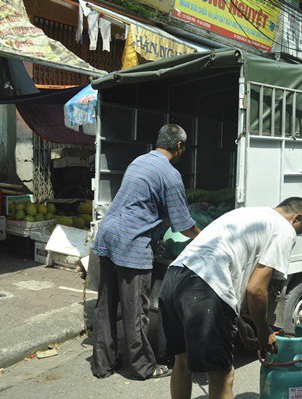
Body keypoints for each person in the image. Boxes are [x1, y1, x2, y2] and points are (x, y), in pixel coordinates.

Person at [158, 197, 302, 399]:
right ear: (296, 218)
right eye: (298, 231)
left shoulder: (248, 214)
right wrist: (263, 330)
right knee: (222, 374)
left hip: (174, 279)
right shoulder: (283, 228)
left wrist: (239, 323)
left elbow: (228, 267)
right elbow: (256, 289)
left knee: (183, 362)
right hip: (204, 287)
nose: (295, 236)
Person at [91, 124, 201, 380]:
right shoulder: (170, 175)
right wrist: (206, 236)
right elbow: (184, 225)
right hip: (131, 243)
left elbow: (141, 202)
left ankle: (102, 364)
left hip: (107, 235)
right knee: (135, 310)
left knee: (105, 306)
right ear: (180, 146)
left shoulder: (140, 161)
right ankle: (143, 366)